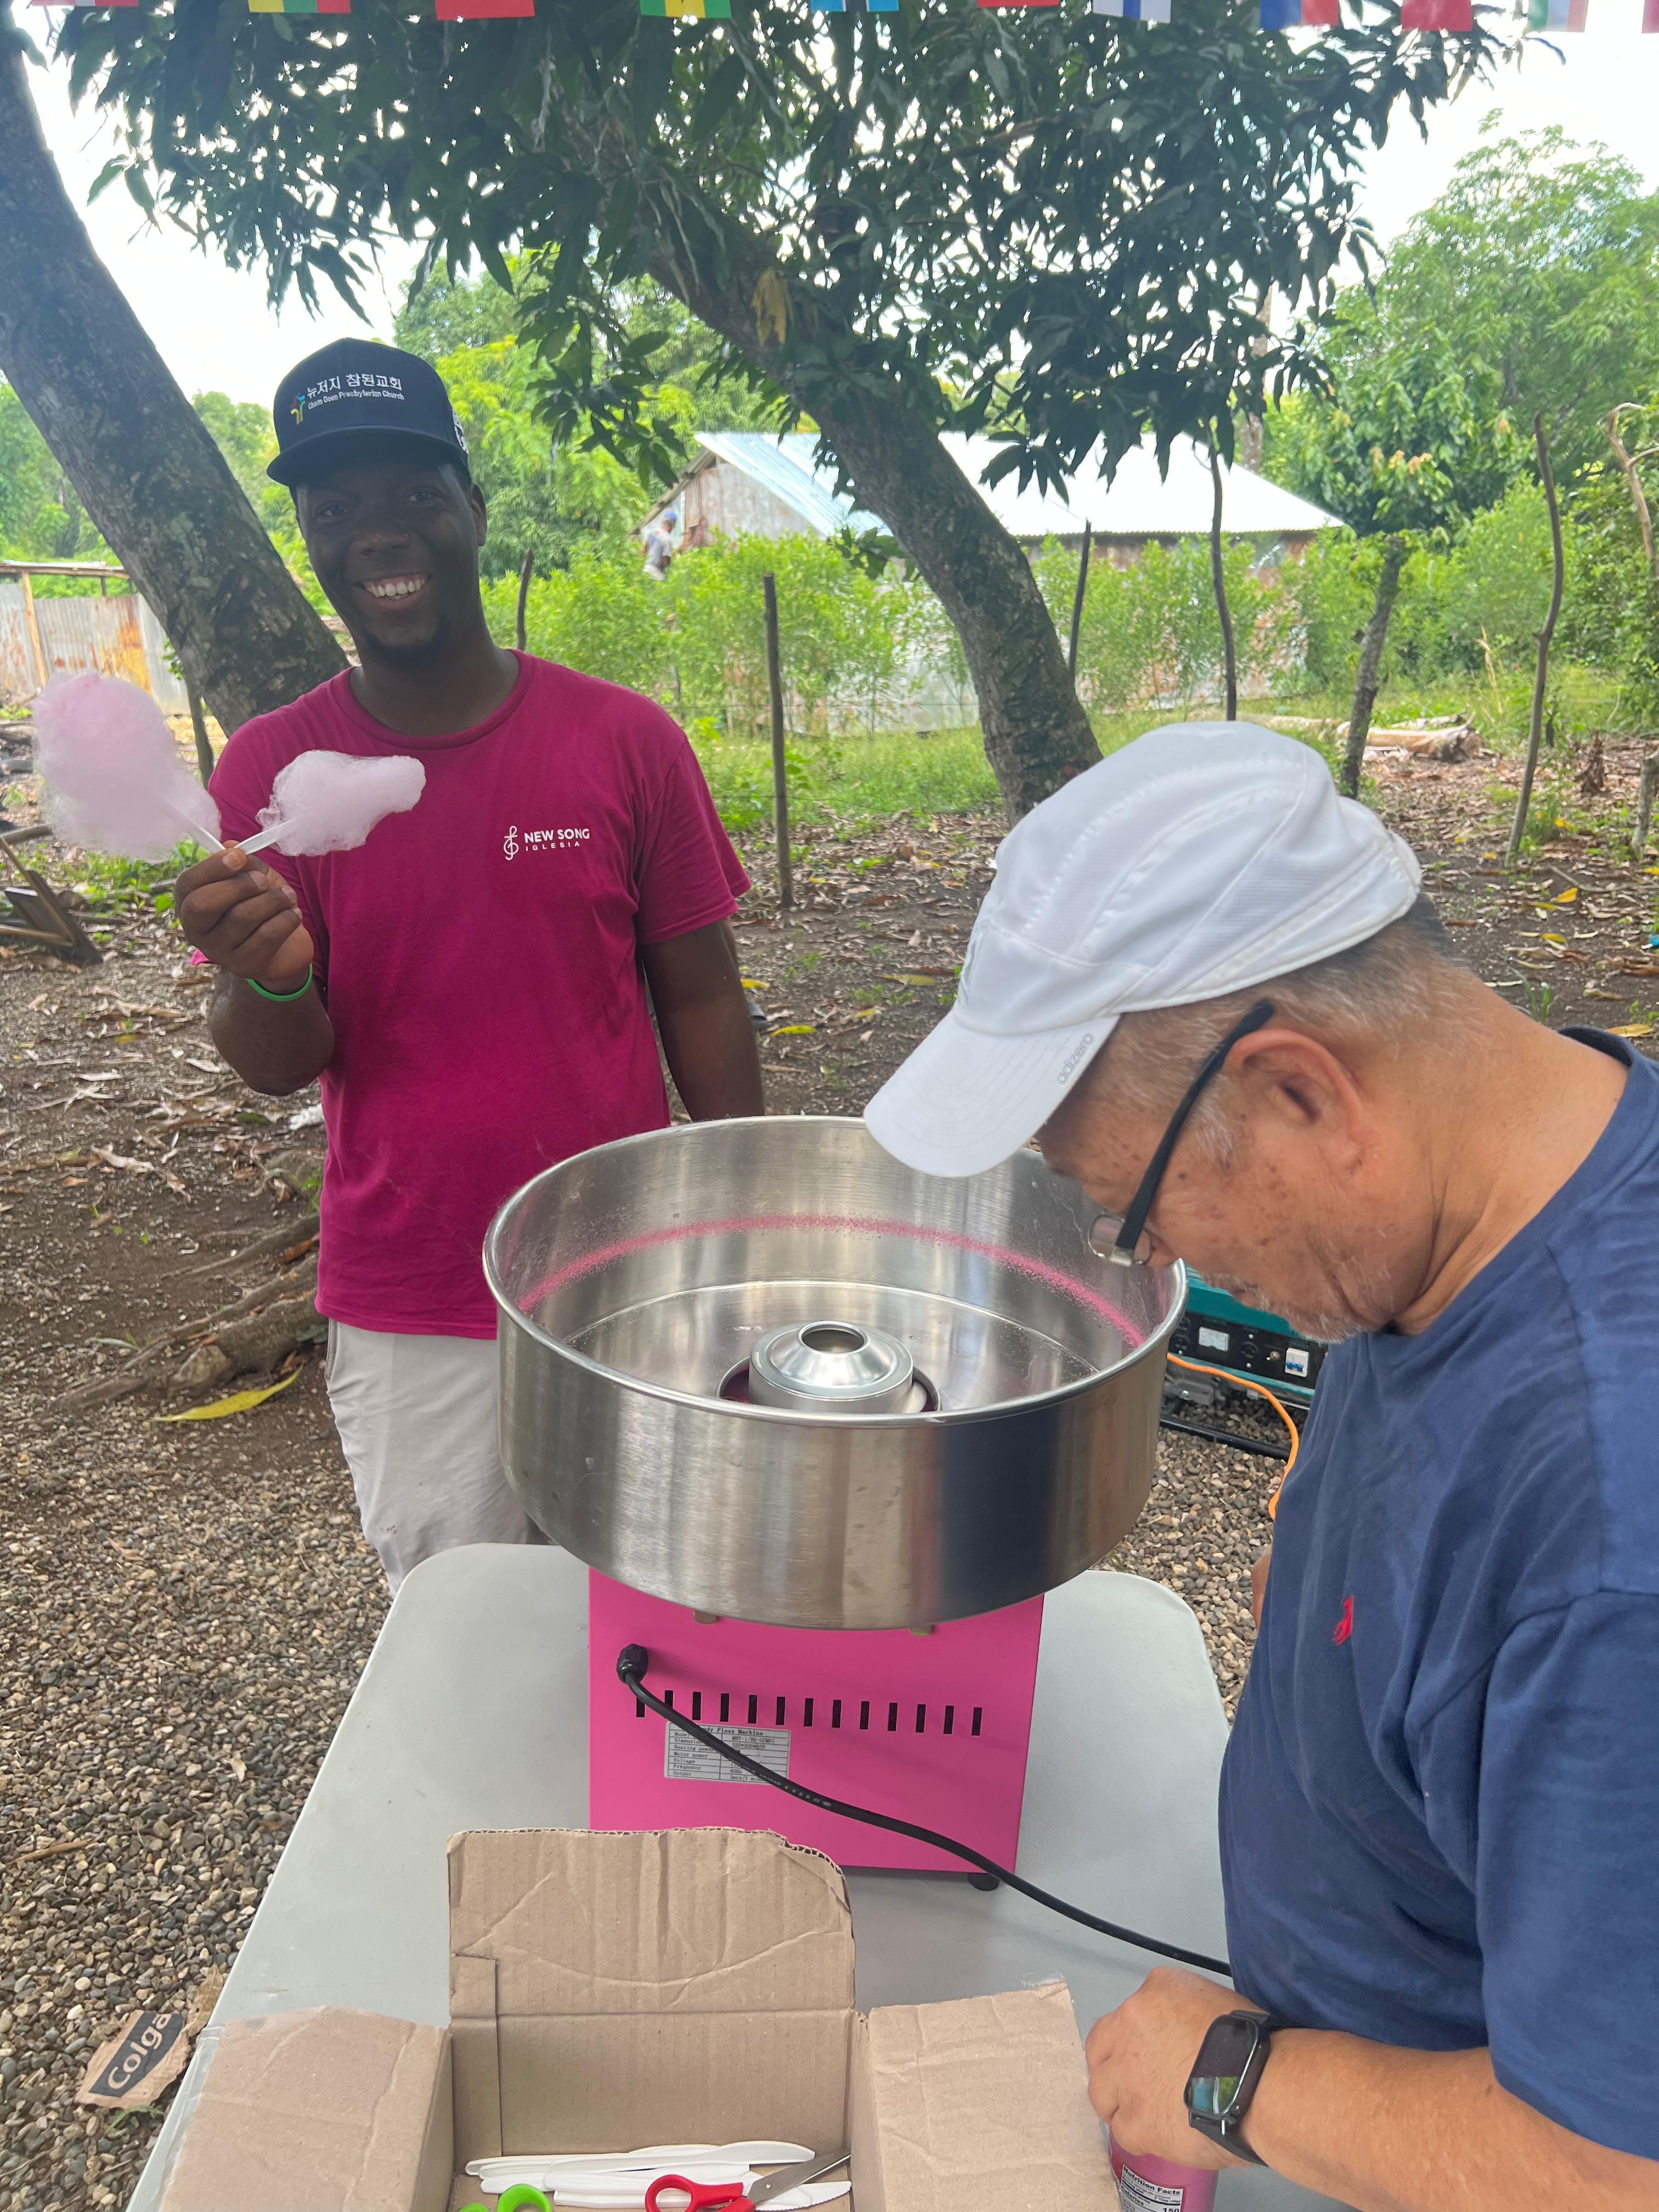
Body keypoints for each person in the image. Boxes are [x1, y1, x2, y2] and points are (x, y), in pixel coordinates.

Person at [865, 722, 1659, 2210]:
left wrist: (1231, 2078)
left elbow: (1615, 2166)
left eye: (1137, 1211)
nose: (1155, 1256)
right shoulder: (1499, 1170)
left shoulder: (1617, 1530)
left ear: (1301, 1093)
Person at [175, 340, 763, 1591]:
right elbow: (281, 1060)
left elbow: (702, 996)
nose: (376, 534)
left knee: (648, 1615)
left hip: (624, 1279)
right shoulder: (272, 776)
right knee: (459, 1632)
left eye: (411, 497)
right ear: (312, 539)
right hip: (411, 1293)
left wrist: (745, 1223)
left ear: (471, 511)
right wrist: (266, 974)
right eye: (335, 510)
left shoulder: (622, 742)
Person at [642, 510, 677, 581]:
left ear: (663, 522)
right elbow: (665, 562)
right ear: (672, 526)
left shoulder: (652, 532)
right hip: (656, 575)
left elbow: (643, 550)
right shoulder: (668, 540)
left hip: (646, 570)